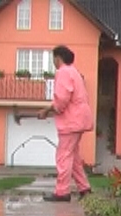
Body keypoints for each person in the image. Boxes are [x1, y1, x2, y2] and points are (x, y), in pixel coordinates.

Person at [38, 45, 93, 202]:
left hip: (71, 121)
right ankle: (84, 188)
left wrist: (48, 110)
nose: (53, 62)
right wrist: (48, 110)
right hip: (79, 119)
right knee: (73, 157)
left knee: (63, 155)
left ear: (57, 58)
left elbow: (61, 100)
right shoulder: (74, 72)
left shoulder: (62, 72)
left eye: (53, 59)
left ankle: (62, 192)